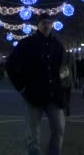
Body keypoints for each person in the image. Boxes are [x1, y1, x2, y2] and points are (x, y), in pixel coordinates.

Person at [7, 13, 66, 155]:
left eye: (49, 22)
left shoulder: (57, 45)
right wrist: (21, 87)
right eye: (43, 22)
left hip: (54, 95)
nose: (46, 25)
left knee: (58, 129)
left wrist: (64, 90)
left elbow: (64, 69)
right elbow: (11, 64)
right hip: (33, 95)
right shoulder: (26, 44)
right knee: (32, 132)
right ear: (38, 25)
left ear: (52, 24)